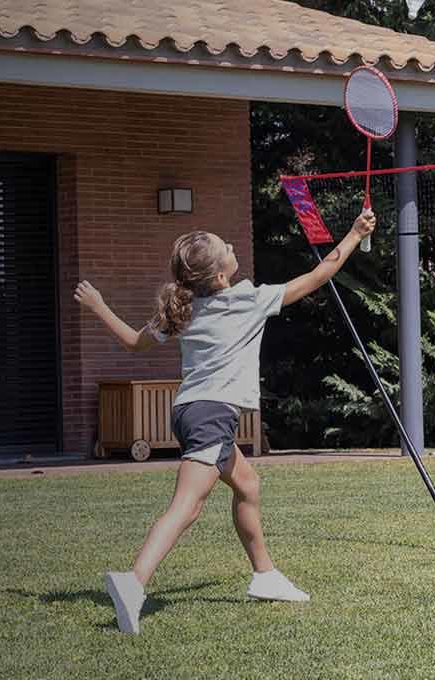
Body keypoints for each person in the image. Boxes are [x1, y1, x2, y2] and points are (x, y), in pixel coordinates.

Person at [78, 210, 377, 634]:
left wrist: (99, 306)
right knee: (187, 507)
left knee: (249, 485)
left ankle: (265, 576)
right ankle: (134, 583)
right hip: (211, 414)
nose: (235, 249)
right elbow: (318, 275)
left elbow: (131, 342)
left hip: (188, 411)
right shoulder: (246, 300)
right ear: (220, 274)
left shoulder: (181, 310)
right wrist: (354, 233)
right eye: (228, 249)